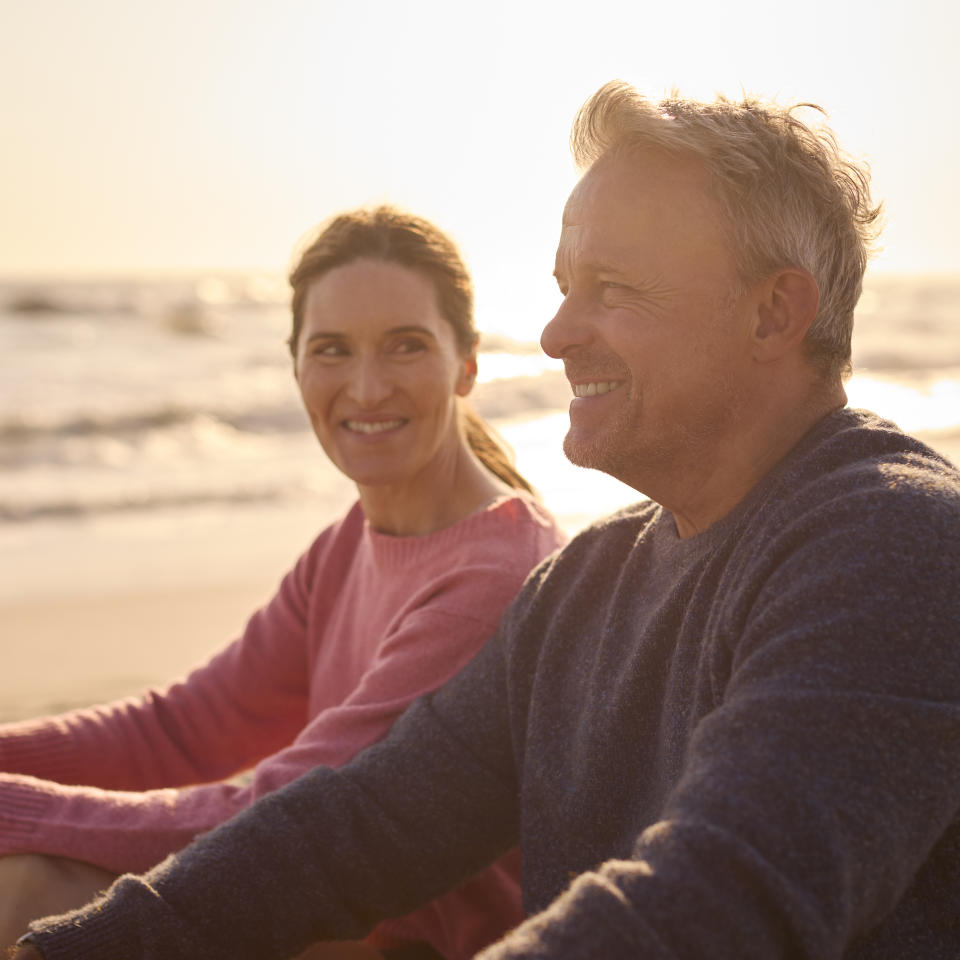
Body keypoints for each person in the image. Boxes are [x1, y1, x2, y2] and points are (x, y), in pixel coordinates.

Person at [12, 81, 960, 960]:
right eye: (561, 289)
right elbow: (357, 829)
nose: (554, 335)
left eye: (613, 289)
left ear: (773, 313)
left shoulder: (891, 547)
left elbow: (715, 902)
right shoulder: (584, 585)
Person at [0, 207, 566, 960]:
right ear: (296, 364)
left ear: (467, 365)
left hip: (427, 944)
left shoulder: (495, 574)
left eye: (406, 346)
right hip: (322, 910)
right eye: (332, 350)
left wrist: (14, 811)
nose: (366, 388)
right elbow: (180, 730)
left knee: (34, 889)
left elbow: (278, 819)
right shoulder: (345, 546)